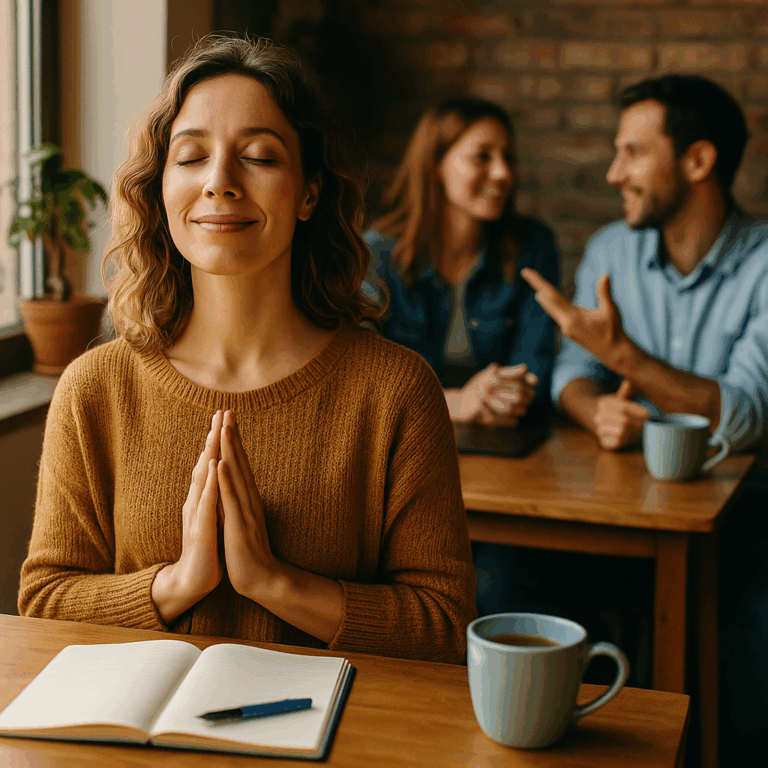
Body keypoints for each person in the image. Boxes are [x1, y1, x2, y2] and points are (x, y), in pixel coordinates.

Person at [17, 35, 475, 665]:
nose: (220, 183)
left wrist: (273, 582)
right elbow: (44, 601)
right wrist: (178, 584)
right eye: (190, 158)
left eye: (258, 156)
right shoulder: (94, 388)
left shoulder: (396, 390)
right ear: (159, 191)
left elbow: (446, 625)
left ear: (310, 193)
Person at [521, 74, 768, 761]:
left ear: (697, 161)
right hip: (619, 519)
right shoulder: (611, 249)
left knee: (756, 637)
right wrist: (593, 406)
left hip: (745, 520)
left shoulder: (766, 263)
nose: (613, 172)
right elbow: (572, 376)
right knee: (500, 577)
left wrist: (627, 358)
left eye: (632, 152)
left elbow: (747, 413)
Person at [364, 96, 560, 427]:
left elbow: (534, 371)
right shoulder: (376, 254)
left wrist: (501, 397)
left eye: (507, 158)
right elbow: (363, 381)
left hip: (503, 438)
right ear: (436, 164)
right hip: (404, 440)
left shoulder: (533, 247)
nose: (502, 173)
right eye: (482, 156)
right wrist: (454, 403)